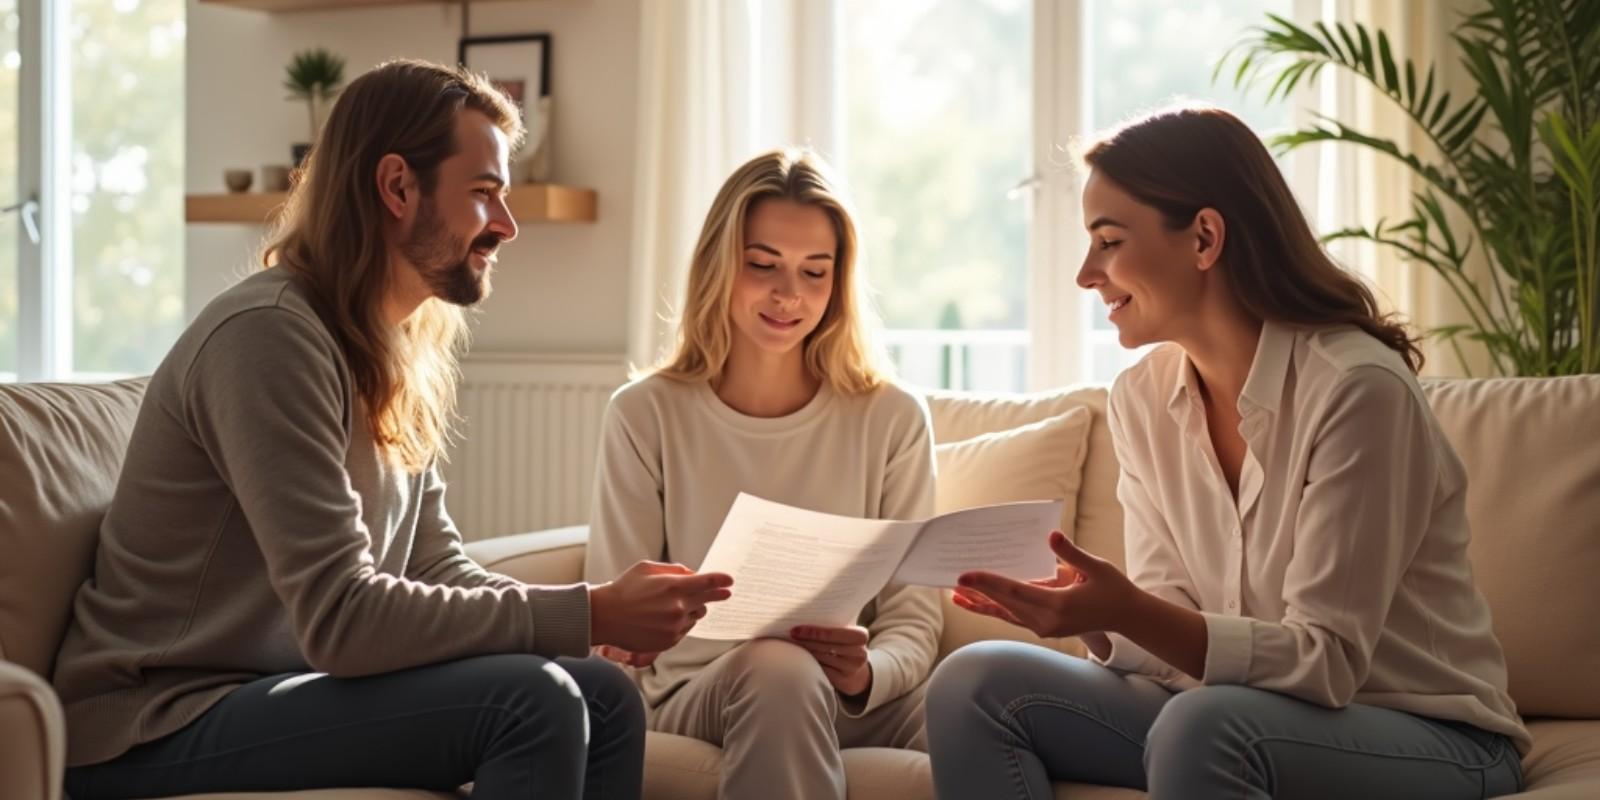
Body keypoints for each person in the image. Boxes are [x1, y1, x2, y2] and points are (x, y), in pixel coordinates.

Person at [52, 59, 731, 800]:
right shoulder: (270, 337)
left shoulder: (386, 350)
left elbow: (436, 569)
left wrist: (582, 622)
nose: (506, 225)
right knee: (532, 703)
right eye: (484, 194)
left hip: (268, 693)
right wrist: (588, 609)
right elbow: (343, 619)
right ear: (398, 186)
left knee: (602, 694)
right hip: (155, 720)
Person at [924, 104, 1528, 799]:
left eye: (1109, 241)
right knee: (974, 683)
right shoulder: (1143, 399)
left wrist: (1128, 610)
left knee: (1203, 725)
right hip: (1233, 714)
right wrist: (1101, 614)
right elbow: (1175, 628)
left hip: (1428, 733)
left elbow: (1326, 663)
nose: (1086, 274)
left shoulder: (1359, 390)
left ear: (1205, 237)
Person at [584, 147, 939, 800]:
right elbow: (616, 615)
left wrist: (867, 673)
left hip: (851, 695)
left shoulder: (892, 416)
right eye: (763, 265)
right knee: (780, 671)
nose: (789, 295)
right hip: (701, 692)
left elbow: (915, 624)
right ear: (722, 265)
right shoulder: (645, 414)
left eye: (814, 272)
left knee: (988, 691)